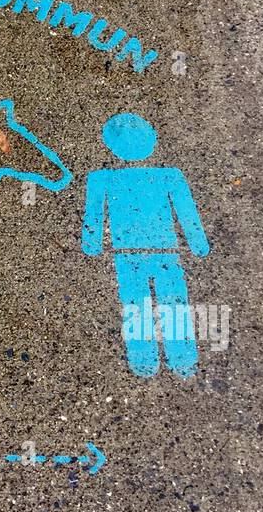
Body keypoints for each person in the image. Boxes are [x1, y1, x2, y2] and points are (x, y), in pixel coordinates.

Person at [81, 113, 209, 378]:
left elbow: (93, 214)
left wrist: (92, 244)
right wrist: (198, 243)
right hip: (165, 250)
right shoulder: (169, 176)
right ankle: (182, 358)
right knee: (173, 302)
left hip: (128, 254)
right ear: (151, 139)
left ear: (111, 146)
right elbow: (186, 211)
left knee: (136, 304)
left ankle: (145, 360)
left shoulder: (101, 178)